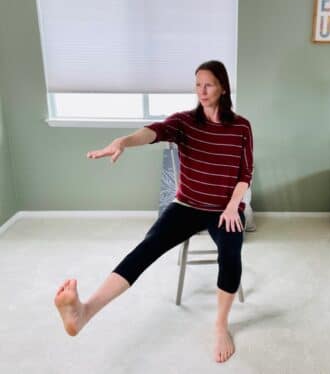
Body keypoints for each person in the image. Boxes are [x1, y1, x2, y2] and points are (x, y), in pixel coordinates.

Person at [54, 60, 254, 363]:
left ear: (223, 87)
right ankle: (84, 312)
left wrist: (230, 208)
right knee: (147, 247)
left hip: (223, 210)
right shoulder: (185, 122)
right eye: (197, 83)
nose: (201, 90)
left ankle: (220, 326)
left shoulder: (241, 127)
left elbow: (245, 174)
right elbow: (153, 132)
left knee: (231, 253)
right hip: (186, 206)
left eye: (208, 84)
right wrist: (124, 141)